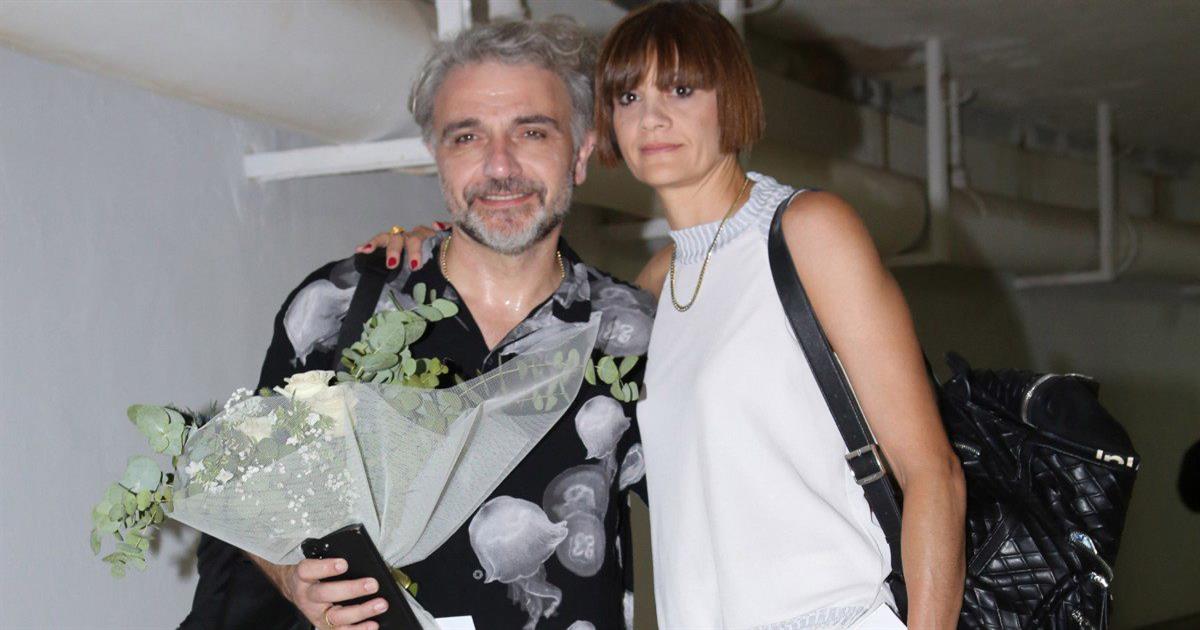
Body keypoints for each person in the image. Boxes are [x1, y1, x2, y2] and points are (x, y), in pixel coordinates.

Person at [363, 3, 967, 629]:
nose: (651, 117)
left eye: (680, 90)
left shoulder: (807, 233)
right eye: (628, 97)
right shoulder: (648, 291)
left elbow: (933, 474)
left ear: (731, 100)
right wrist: (435, 248)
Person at [180, 18, 653, 630]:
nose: (500, 166)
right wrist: (291, 577)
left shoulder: (634, 334)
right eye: (467, 137)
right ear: (436, 155)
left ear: (582, 153)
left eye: (532, 131)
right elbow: (247, 489)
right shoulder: (340, 309)